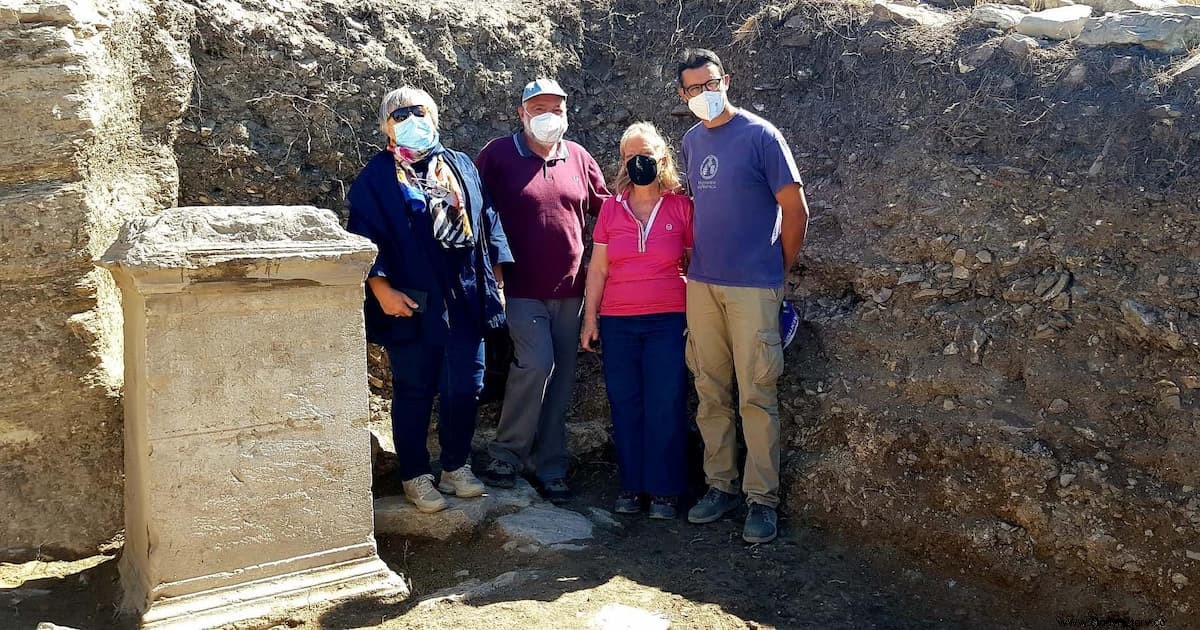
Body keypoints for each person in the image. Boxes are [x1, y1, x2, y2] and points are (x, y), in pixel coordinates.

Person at [347, 86, 512, 514]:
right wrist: (382, 291)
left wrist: (497, 283)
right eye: (398, 115)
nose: (410, 120)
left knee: (466, 386)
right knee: (414, 388)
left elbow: (487, 220)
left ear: (434, 117)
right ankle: (415, 475)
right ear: (385, 126)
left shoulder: (460, 165)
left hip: (466, 296)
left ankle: (455, 466)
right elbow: (364, 235)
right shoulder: (377, 177)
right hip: (412, 300)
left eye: (418, 112)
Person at [676, 48, 810, 543]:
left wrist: (779, 269)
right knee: (710, 387)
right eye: (693, 89)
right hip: (704, 286)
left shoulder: (761, 135)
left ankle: (761, 499)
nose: (703, 95)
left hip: (755, 286)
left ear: (725, 81)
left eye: (710, 84)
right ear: (683, 95)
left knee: (757, 392)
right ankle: (719, 485)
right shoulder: (691, 140)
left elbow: (795, 210)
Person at [474, 79, 610, 502]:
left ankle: (550, 466)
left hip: (570, 291)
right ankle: (506, 454)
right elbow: (475, 212)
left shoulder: (580, 158)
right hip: (517, 288)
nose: (548, 115)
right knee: (536, 364)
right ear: (522, 113)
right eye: (539, 108)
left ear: (568, 112)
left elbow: (605, 212)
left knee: (562, 378)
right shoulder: (497, 155)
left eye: (556, 107)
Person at [580, 122, 692, 519]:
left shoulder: (681, 206)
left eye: (645, 153)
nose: (638, 161)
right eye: (630, 155)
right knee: (625, 403)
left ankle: (664, 491)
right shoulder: (611, 207)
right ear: (623, 161)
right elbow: (598, 269)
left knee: (665, 402)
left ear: (662, 157)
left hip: (668, 319)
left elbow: (697, 262)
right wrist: (589, 318)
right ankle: (631, 486)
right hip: (618, 320)